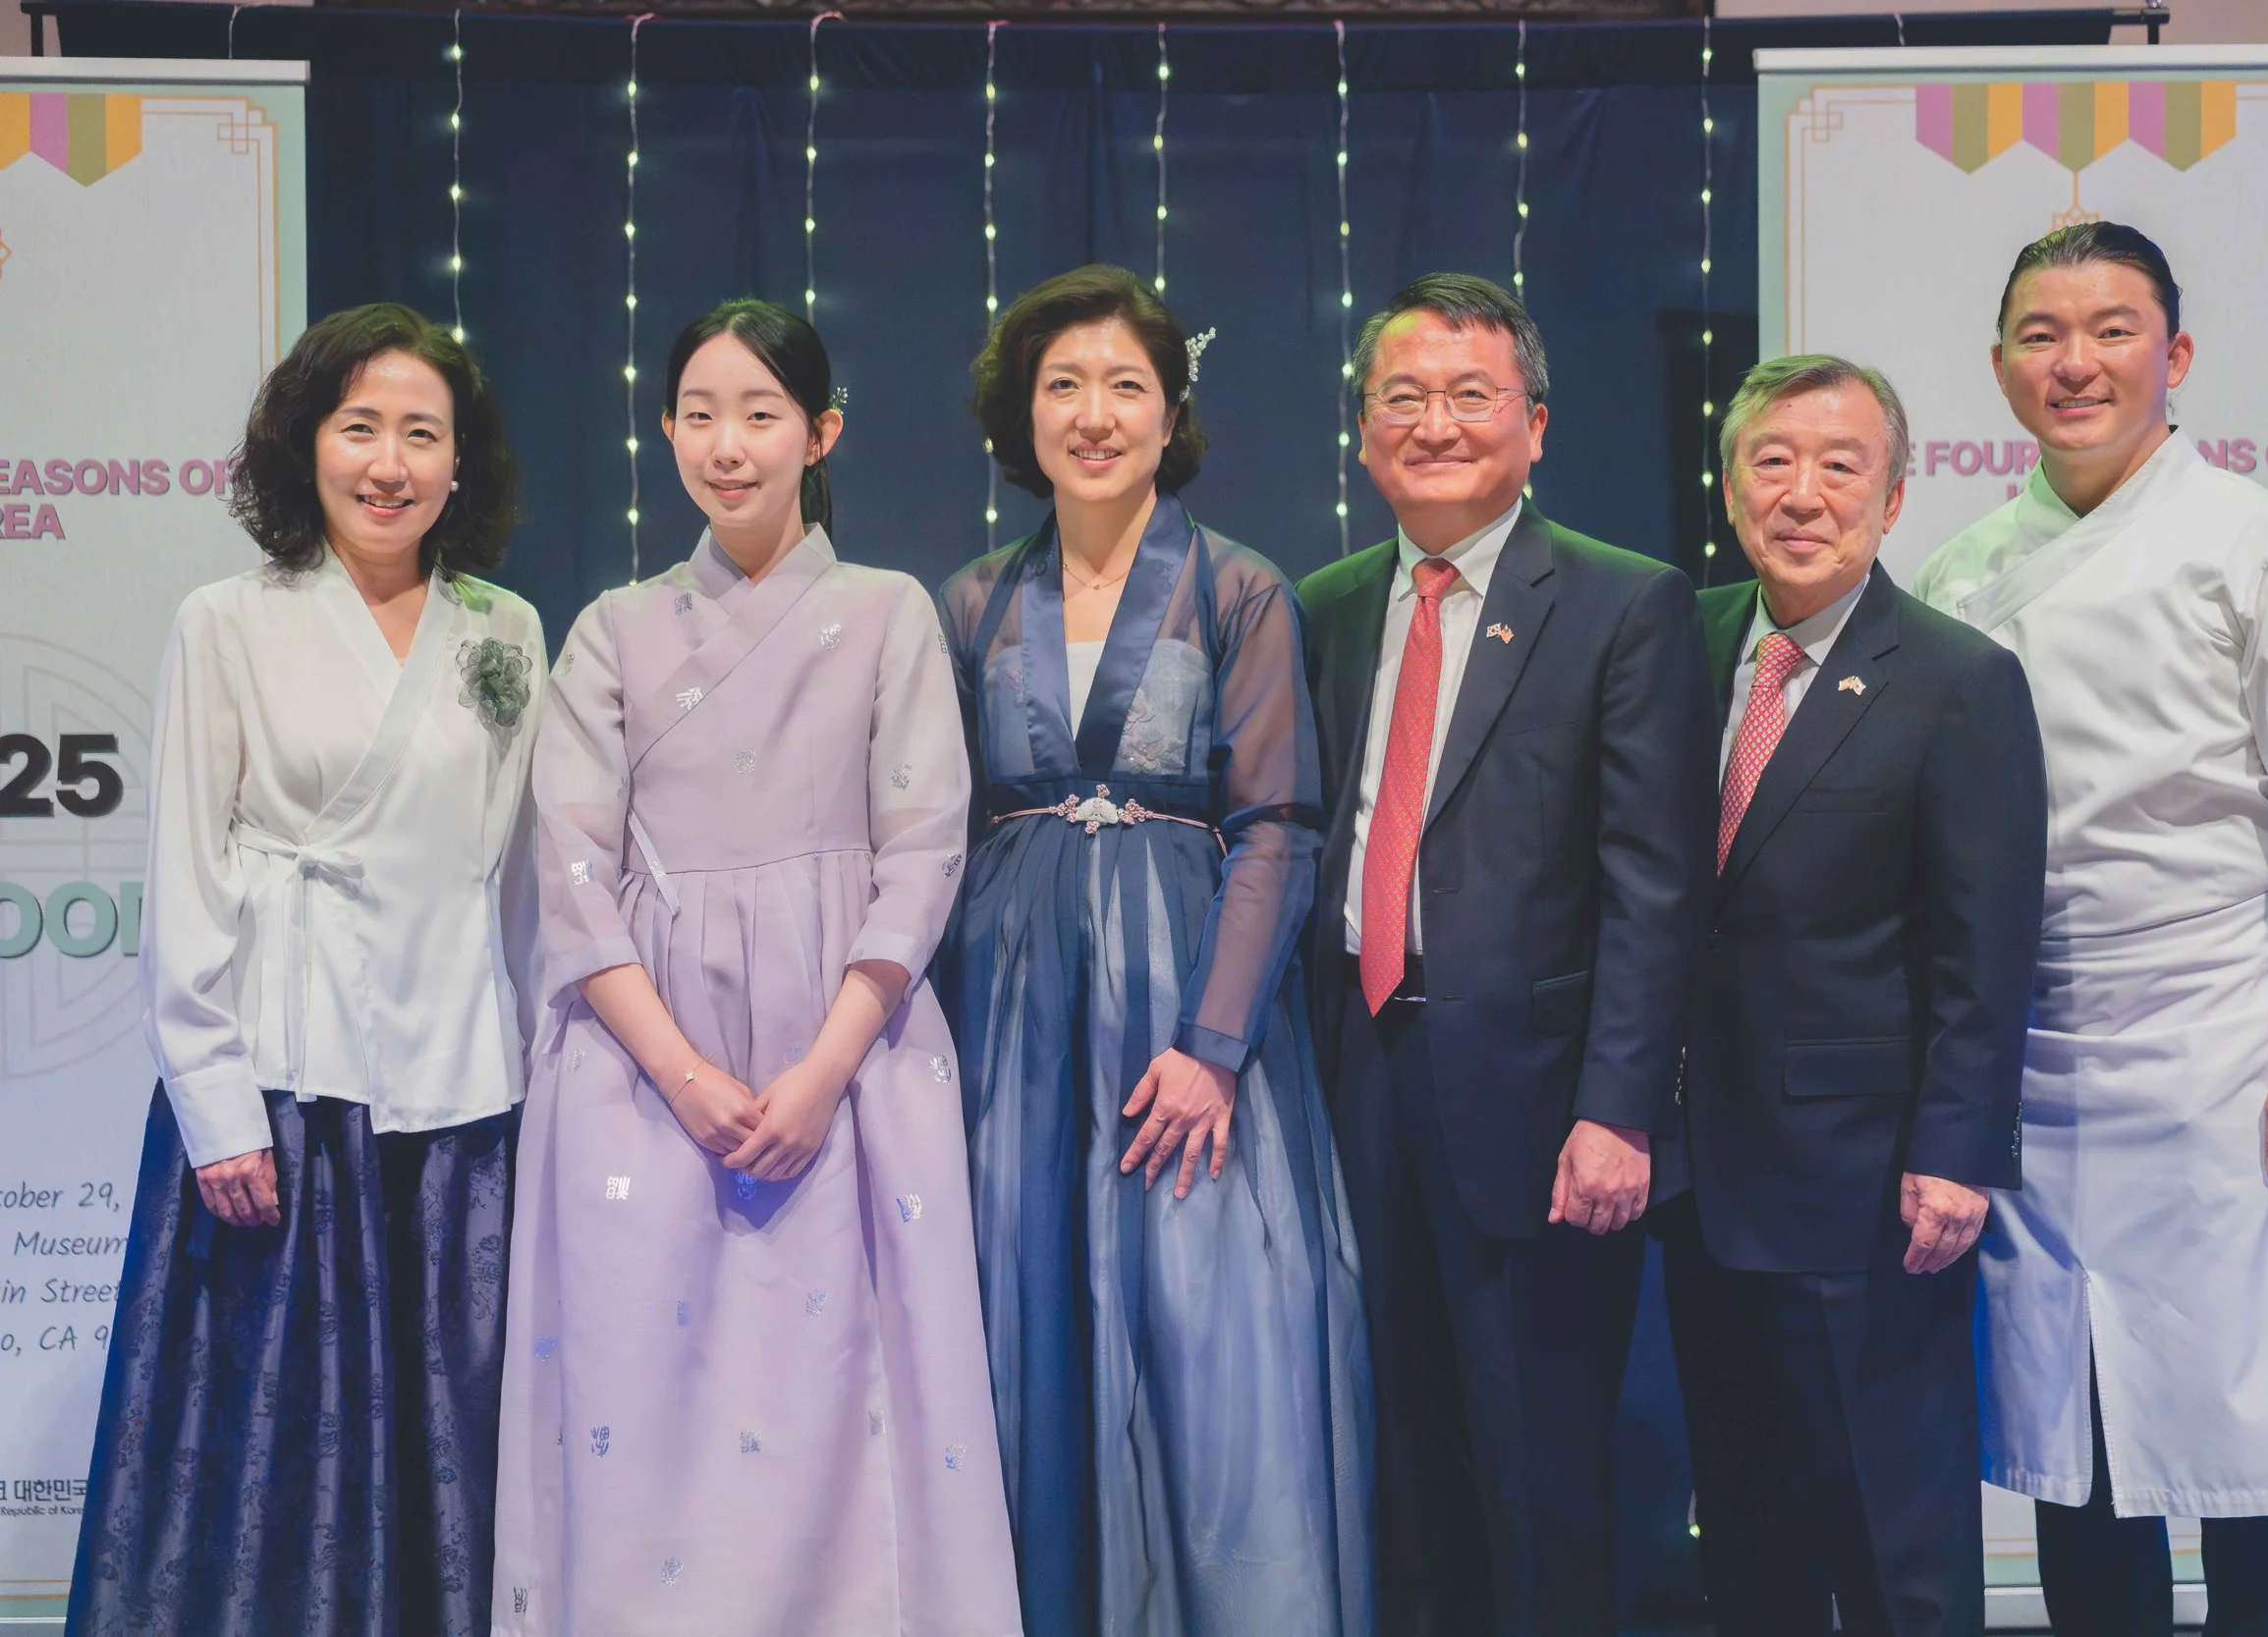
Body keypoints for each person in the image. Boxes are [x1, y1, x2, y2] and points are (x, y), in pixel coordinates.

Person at [1914, 222, 2268, 1634]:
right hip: (2038, 1053)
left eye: (2111, 330)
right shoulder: (1962, 571)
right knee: (2075, 1449)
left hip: (2226, 1048)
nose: (2074, 362)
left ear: (2175, 353)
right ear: (2002, 368)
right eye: (2041, 335)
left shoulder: (2261, 546)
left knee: (2258, 1447)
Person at [490, 299, 1019, 1635]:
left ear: (820, 432)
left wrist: (824, 1071)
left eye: (762, 414)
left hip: (846, 1047)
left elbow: (923, 853)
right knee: (642, 1405)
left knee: (849, 1405)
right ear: (666, 432)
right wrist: (680, 1074)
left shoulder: (890, 612)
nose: (728, 445)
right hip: (642, 1056)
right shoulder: (610, 628)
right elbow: (569, 872)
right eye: (700, 416)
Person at [66, 303, 542, 1636]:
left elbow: (520, 883)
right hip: (283, 1089)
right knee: (269, 1450)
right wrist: (214, 1102)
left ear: (462, 460)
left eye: (422, 434)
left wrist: (539, 1077)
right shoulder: (227, 621)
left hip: (457, 1094)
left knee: (448, 1428)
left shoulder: (507, 629)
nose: (389, 463)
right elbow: (186, 871)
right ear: (305, 443)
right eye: (359, 428)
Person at [937, 263, 1374, 1637]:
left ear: (1170, 410)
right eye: (1063, 384)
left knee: (1211, 1336)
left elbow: (1279, 825)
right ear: (1022, 413)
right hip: (1017, 1019)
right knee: (1024, 1321)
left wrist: (1214, 1045)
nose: (1095, 414)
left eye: (1125, 385)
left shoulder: (1241, 588)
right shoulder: (969, 600)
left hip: (1186, 1013)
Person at [1297, 272, 1716, 1637]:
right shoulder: (1323, 606)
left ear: (1535, 423)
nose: (1435, 425)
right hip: (1356, 1076)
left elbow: (1656, 884)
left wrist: (1619, 1108)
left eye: (1471, 396)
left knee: (1538, 1469)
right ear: (1363, 430)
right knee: (1390, 1451)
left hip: (1541, 1105)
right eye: (1403, 398)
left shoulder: (1622, 602)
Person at [1653, 355, 2046, 1634]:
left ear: (1893, 497)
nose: (1803, 493)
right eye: (1772, 462)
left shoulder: (1958, 679)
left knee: (1894, 1535)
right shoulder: (1678, 640)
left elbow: (1987, 948)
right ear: (1730, 489)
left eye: (1840, 466)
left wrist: (1956, 1152)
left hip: (1869, 1187)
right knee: (1744, 1528)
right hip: (1699, 1180)